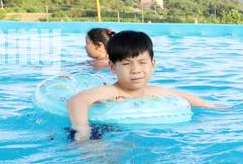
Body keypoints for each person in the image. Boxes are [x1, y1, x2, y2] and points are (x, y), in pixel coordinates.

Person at [67, 30, 220, 142]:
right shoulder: (110, 91)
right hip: (102, 131)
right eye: (126, 64)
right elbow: (77, 100)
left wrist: (212, 107)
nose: (136, 70)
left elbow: (182, 96)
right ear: (113, 68)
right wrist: (82, 128)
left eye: (142, 62)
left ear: (153, 64)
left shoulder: (152, 91)